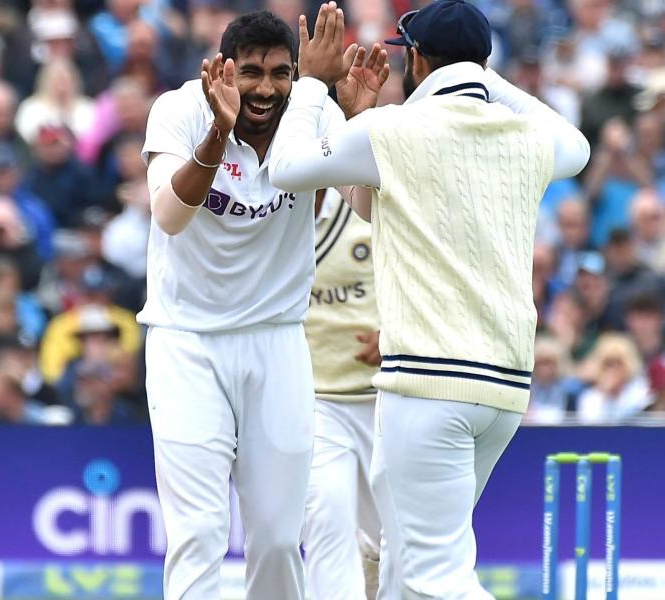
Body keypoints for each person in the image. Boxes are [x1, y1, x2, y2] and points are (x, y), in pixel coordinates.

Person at [269, 1, 590, 597]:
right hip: (502, 389)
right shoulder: (522, 133)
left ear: (415, 58)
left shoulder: (393, 129)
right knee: (400, 562)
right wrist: (486, 76)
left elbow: (285, 168)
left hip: (427, 384)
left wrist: (313, 85)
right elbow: (577, 146)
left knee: (431, 574)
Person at [139, 7, 387, 600]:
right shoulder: (178, 110)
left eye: (281, 73)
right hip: (185, 342)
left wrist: (357, 126)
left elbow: (370, 209)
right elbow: (171, 218)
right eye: (251, 72)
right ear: (223, 69)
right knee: (197, 532)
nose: (266, 88)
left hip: (277, 341)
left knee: (277, 538)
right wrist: (216, 135)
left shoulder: (313, 112)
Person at [301, 187, 383, 600]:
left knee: (398, 543)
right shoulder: (269, 203)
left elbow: (430, 273)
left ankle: (374, 557)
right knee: (325, 523)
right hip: (315, 400)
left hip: (388, 395)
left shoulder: (375, 195)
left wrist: (399, 336)